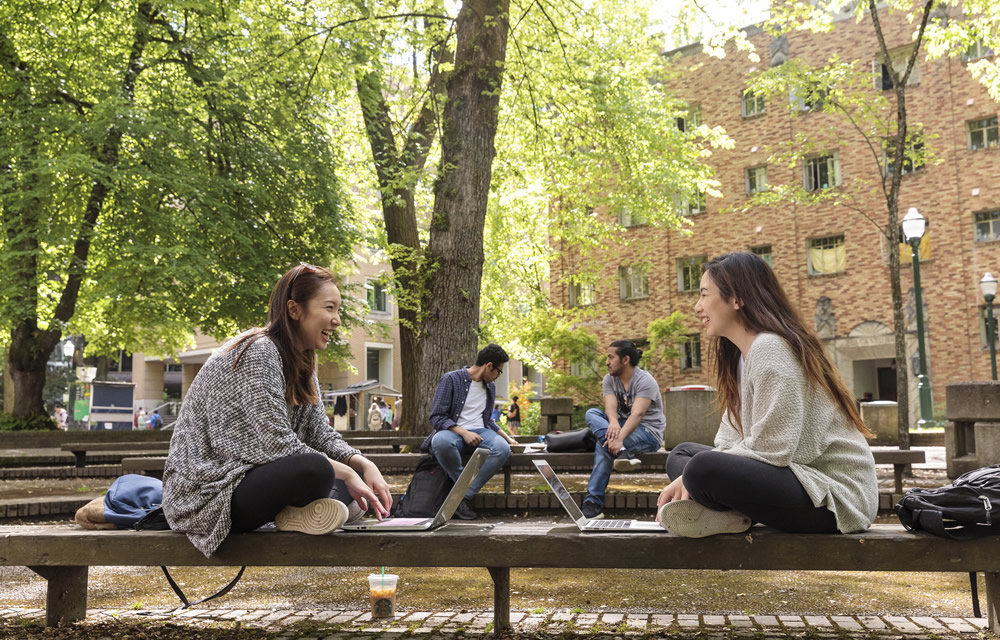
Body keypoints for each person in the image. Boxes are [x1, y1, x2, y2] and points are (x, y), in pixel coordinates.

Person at [162, 263, 393, 558]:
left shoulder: (302, 363)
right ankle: (308, 511)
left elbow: (320, 433)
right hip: (208, 494)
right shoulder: (260, 351)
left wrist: (363, 464)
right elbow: (277, 444)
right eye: (329, 308)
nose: (336, 321)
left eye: (338, 311)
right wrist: (348, 474)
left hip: (248, 481)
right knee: (319, 470)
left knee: (343, 478)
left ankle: (302, 515)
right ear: (295, 310)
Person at [655, 252, 878, 538]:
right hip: (792, 477)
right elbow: (729, 439)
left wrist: (694, 477)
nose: (697, 306)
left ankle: (724, 511)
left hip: (835, 497)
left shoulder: (770, 348)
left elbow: (773, 450)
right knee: (682, 454)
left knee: (700, 468)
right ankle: (733, 515)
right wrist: (694, 475)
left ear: (736, 298)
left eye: (704, 294)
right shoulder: (742, 357)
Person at [420, 343, 517, 520]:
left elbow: (488, 419)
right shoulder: (451, 379)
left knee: (502, 449)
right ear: (489, 366)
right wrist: (464, 432)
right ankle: (463, 497)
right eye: (498, 371)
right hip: (452, 431)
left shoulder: (490, 387)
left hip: (482, 431)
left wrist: (508, 438)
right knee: (440, 442)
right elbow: (437, 416)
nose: (498, 376)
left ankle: (461, 497)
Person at [580, 340, 667, 520]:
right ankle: (622, 452)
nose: (607, 362)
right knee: (592, 413)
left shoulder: (645, 380)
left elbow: (637, 413)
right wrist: (613, 423)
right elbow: (610, 407)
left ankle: (593, 504)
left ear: (625, 359)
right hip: (621, 426)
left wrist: (618, 438)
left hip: (648, 432)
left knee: (603, 444)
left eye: (611, 357)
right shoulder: (609, 379)